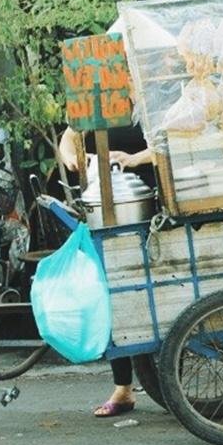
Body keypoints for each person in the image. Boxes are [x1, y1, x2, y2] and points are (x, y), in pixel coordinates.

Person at [57, 124, 154, 417]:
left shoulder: (144, 103)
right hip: (106, 209)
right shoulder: (96, 101)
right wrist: (71, 158)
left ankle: (157, 378)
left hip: (149, 203)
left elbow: (167, 144)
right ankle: (123, 388)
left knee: (147, 294)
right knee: (113, 292)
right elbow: (67, 138)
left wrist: (133, 158)